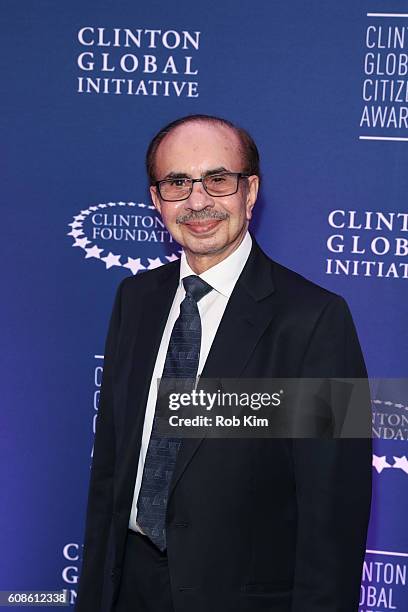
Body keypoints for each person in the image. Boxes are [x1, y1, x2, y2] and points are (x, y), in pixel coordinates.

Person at [75, 114, 372, 612]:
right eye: (176, 182)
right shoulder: (136, 299)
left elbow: (335, 511)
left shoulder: (318, 318)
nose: (197, 201)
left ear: (250, 192)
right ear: (156, 200)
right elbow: (109, 466)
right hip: (128, 587)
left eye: (218, 179)